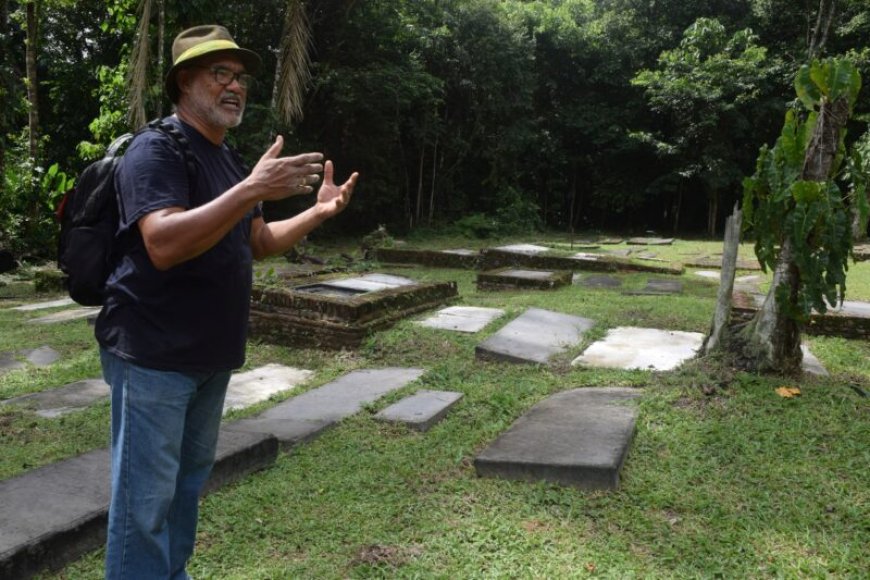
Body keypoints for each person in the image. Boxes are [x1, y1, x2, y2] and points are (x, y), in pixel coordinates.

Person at [95, 24, 358, 579]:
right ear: (184, 81)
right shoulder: (157, 148)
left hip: (210, 356)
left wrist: (317, 213)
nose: (235, 86)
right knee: (143, 506)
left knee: (185, 492)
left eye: (239, 77)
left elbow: (258, 242)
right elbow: (163, 243)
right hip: (152, 354)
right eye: (220, 73)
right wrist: (252, 190)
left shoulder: (230, 160)